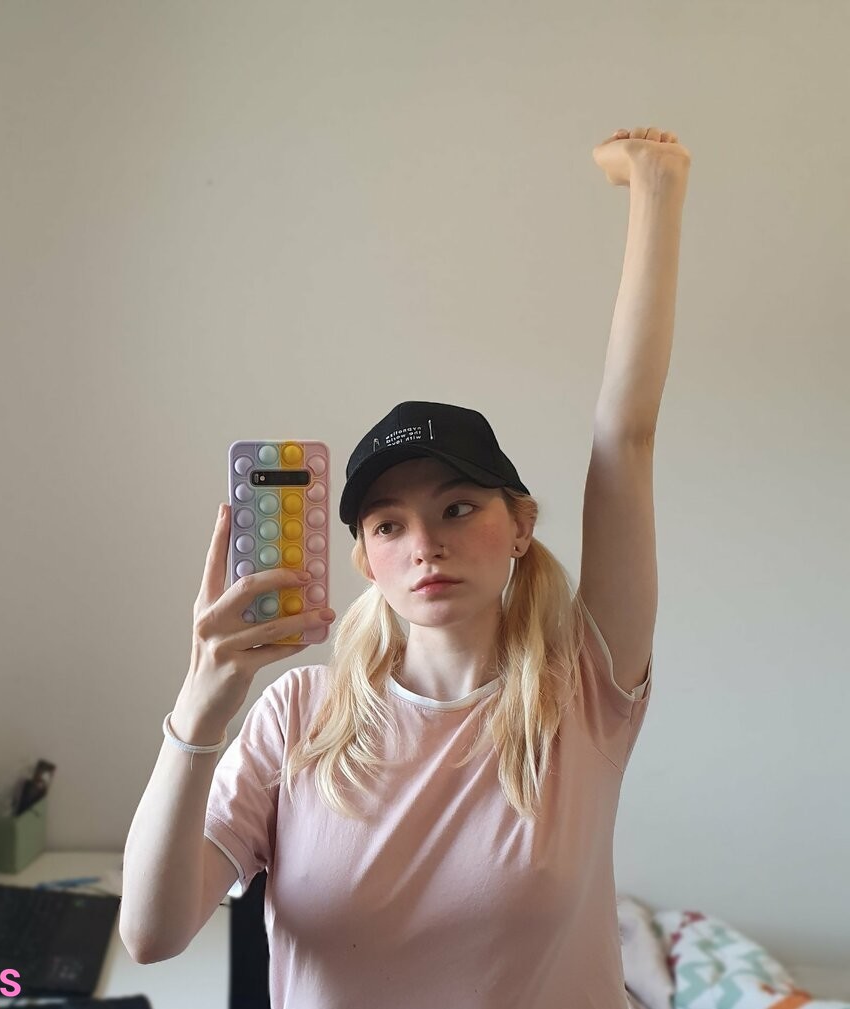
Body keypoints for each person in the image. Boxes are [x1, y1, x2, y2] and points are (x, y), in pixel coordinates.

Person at [121, 125, 691, 1008]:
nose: (425, 542)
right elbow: (152, 935)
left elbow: (627, 436)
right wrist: (201, 704)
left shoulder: (582, 688)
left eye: (457, 508)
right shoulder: (298, 715)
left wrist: (655, 189)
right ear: (363, 559)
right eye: (390, 524)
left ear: (519, 526)